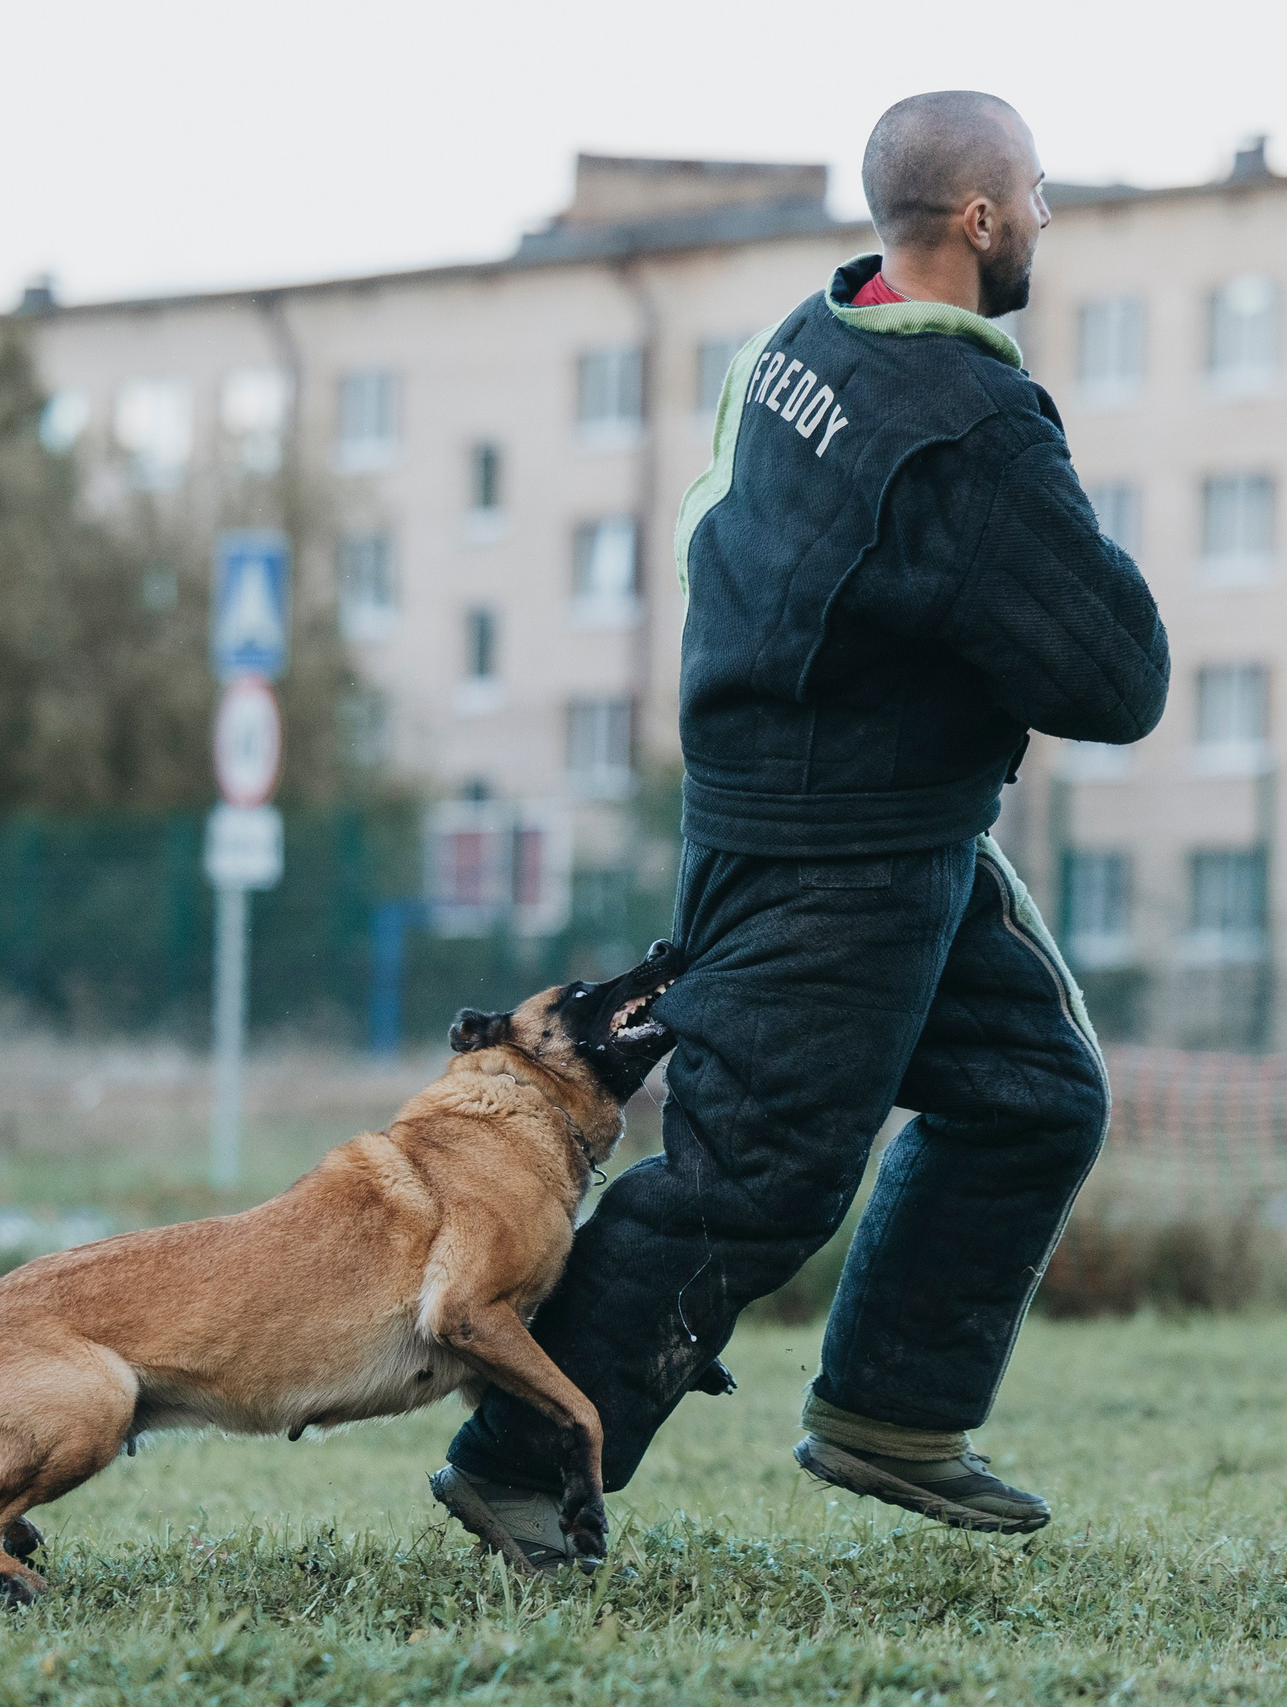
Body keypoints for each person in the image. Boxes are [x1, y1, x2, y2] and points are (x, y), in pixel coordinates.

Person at [429, 90, 1170, 1572]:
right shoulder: (968, 427)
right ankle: (517, 1463)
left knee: (1032, 1095)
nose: (1046, 221)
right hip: (846, 850)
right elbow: (1119, 678)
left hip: (838, 809)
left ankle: (892, 1415)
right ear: (981, 219)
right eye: (1036, 195)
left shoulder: (810, 339)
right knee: (748, 1181)